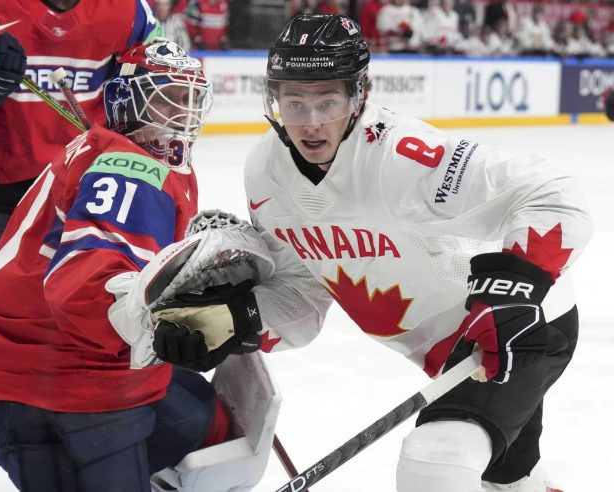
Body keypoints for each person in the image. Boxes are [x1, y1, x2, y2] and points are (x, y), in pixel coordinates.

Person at [152, 14, 593, 492]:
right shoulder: (266, 174)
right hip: (443, 353)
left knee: (435, 461)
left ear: (358, 94)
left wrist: (514, 286)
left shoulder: (402, 157)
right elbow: (304, 291)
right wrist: (235, 321)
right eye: (294, 101)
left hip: (517, 328)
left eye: (328, 100)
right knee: (509, 479)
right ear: (273, 98)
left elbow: (553, 194)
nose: (312, 120)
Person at [0, 40, 227, 492]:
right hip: (44, 381)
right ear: (128, 101)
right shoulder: (131, 169)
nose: (183, 112)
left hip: (11, 358)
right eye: (167, 98)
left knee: (195, 410)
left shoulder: (108, 149)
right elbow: (83, 287)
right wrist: (171, 327)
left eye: (190, 99)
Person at [0, 0, 162, 488]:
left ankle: (71, 413)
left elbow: (150, 86)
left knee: (76, 300)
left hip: (77, 185)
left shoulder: (131, 12)